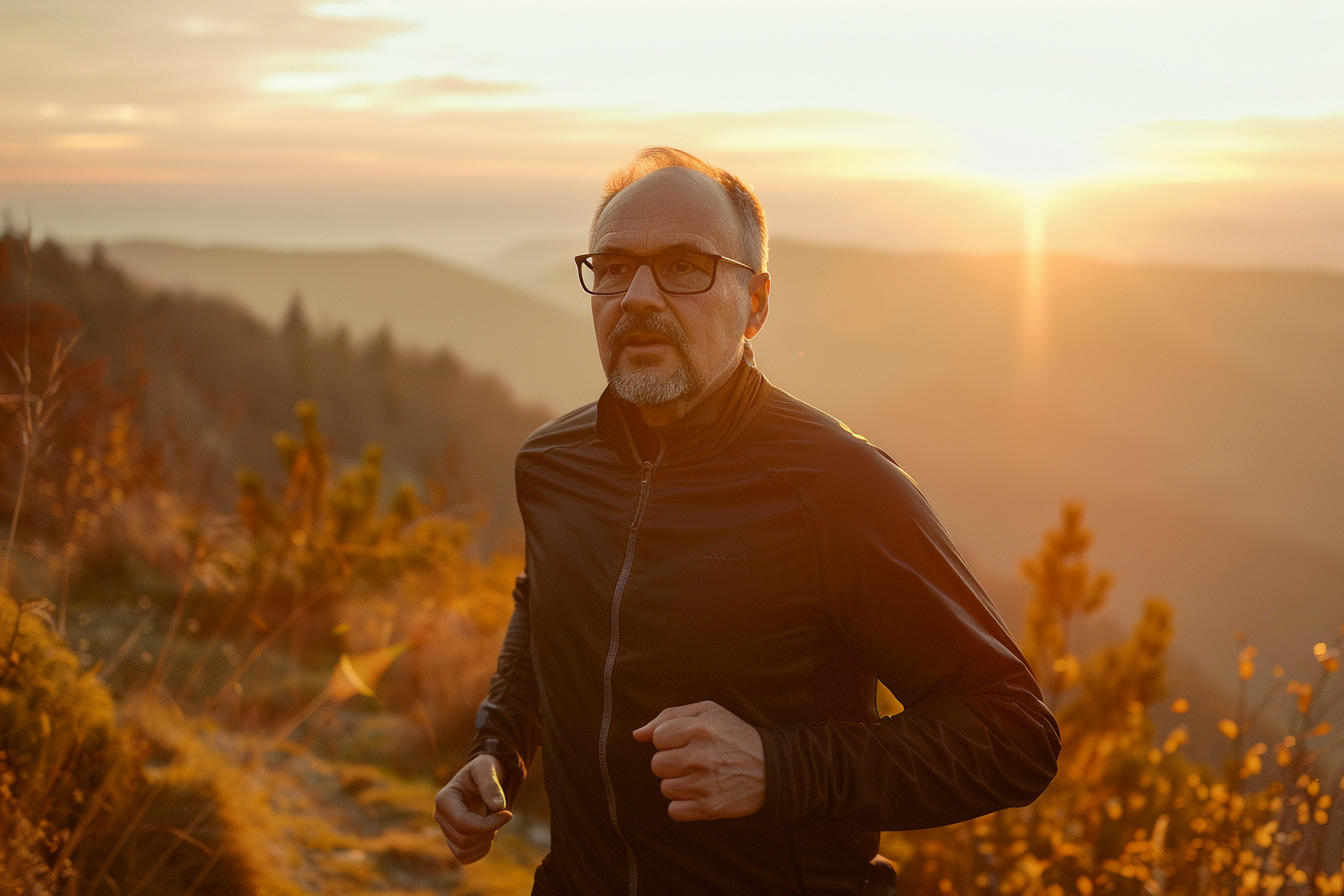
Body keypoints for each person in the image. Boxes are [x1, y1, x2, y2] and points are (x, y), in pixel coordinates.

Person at [435, 147, 1060, 896]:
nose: (637, 296)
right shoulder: (552, 466)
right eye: (614, 267)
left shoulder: (839, 488)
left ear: (756, 304)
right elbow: (546, 608)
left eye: (684, 266)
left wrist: (779, 767)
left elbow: (1014, 735)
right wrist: (497, 750)